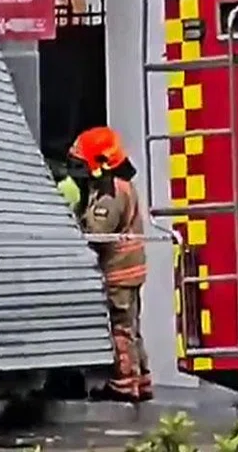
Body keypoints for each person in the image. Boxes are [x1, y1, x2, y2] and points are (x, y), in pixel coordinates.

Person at [66, 127, 152, 403]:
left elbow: (98, 232)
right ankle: (142, 380)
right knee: (131, 327)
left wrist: (77, 218)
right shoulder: (124, 185)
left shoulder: (109, 194)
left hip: (118, 272)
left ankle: (124, 384)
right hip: (131, 270)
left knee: (119, 328)